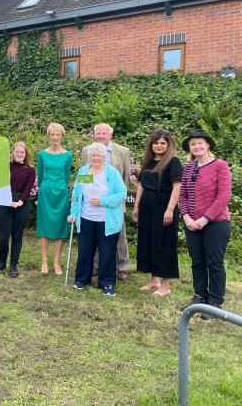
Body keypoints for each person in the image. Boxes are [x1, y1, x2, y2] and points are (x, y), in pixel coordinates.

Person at [179, 131, 231, 320]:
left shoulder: (220, 166)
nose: (196, 147)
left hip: (216, 223)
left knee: (214, 262)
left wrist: (205, 218)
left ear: (208, 144)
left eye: (200, 143)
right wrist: (186, 217)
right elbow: (182, 195)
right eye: (193, 144)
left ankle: (215, 303)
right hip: (192, 223)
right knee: (197, 261)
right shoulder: (188, 168)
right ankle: (200, 296)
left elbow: (223, 196)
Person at [68, 142, 126, 296]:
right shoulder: (84, 171)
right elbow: (76, 195)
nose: (96, 158)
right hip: (86, 218)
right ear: (89, 156)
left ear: (104, 157)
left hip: (106, 220)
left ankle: (107, 283)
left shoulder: (111, 173)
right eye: (93, 155)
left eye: (99, 155)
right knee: (85, 250)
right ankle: (81, 279)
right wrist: (73, 213)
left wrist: (103, 201)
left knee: (107, 252)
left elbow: (122, 193)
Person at [132, 129, 182, 296]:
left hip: (164, 207)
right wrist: (137, 206)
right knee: (149, 242)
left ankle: (166, 285)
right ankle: (154, 280)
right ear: (151, 145)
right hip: (147, 206)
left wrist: (169, 209)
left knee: (164, 243)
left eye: (162, 143)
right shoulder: (148, 161)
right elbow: (141, 185)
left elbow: (177, 187)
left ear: (168, 145)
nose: (159, 146)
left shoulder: (173, 162)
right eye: (156, 143)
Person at [81, 123, 131, 280]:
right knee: (95, 236)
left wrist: (114, 199)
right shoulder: (87, 150)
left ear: (111, 134)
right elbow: (84, 175)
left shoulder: (122, 151)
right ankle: (96, 267)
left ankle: (122, 267)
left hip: (114, 202)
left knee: (119, 236)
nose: (101, 136)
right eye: (98, 133)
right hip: (93, 203)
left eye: (104, 133)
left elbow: (126, 178)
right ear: (94, 134)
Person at [0, 142, 36, 278]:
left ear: (26, 154)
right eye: (17, 152)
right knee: (3, 237)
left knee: (17, 237)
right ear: (13, 153)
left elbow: (28, 187)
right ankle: (1, 263)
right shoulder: (6, 166)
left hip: (21, 204)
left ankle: (13, 266)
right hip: (5, 202)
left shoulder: (30, 169)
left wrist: (19, 202)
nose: (19, 154)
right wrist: (5, 199)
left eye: (22, 152)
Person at [36, 123, 72, 275]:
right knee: (44, 225)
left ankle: (57, 262)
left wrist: (59, 187)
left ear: (62, 136)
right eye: (52, 134)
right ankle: (44, 261)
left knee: (60, 226)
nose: (55, 137)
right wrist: (46, 187)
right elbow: (41, 174)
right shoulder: (42, 154)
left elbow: (66, 176)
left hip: (61, 193)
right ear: (48, 136)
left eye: (58, 134)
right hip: (46, 192)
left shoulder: (67, 155)